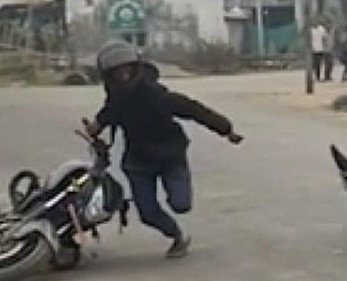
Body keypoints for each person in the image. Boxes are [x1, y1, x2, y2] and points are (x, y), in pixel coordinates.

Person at [83, 40, 243, 259]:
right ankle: (177, 236)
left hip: (170, 156)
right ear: (108, 77)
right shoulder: (114, 103)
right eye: (116, 72)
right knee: (147, 213)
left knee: (181, 205)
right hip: (138, 162)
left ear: (135, 68)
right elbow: (100, 122)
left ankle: (176, 201)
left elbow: (196, 111)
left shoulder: (157, 95)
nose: (123, 76)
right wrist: (93, 130)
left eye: (126, 70)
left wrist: (226, 130)